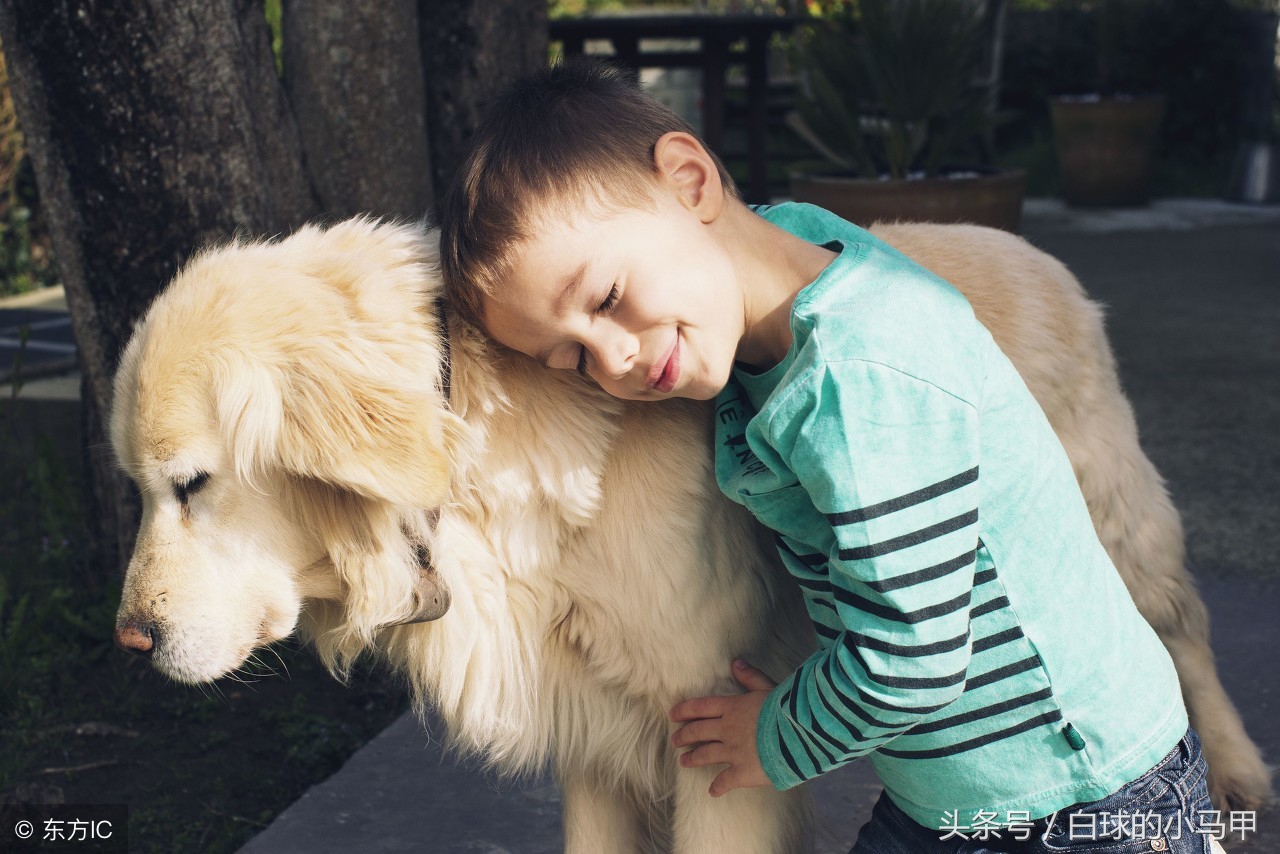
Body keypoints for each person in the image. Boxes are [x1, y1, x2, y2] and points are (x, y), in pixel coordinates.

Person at [437, 59, 1217, 852]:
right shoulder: (789, 256)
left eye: (605, 299)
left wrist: (771, 739)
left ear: (690, 182)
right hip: (952, 793)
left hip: (1075, 796)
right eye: (569, 359)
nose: (612, 360)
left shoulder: (859, 379)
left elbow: (915, 653)